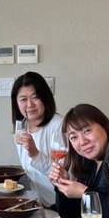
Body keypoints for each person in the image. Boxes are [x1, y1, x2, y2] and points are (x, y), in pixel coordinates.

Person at [47, 103, 109, 218]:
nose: (82, 142)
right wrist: (62, 184)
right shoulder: (89, 164)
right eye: (73, 137)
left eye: (87, 131)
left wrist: (85, 193)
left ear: (104, 125)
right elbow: (69, 214)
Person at [10, 72, 64, 206]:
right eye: (23, 99)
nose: (30, 104)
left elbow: (62, 177)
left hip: (59, 204)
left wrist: (35, 154)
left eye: (35, 97)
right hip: (37, 201)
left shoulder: (59, 125)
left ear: (45, 98)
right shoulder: (22, 127)